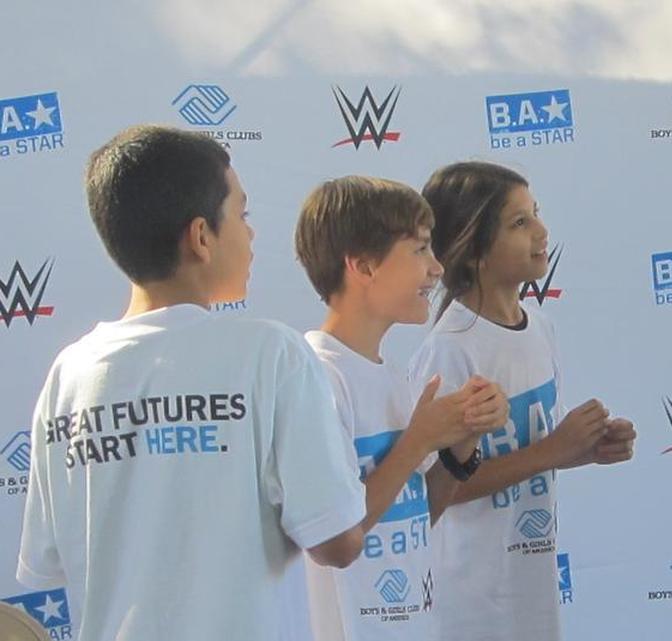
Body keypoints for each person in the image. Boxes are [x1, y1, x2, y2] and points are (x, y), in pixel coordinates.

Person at [17, 125, 369, 641]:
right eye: (242, 215)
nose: (250, 234)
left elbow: (49, 559)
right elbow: (337, 541)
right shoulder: (271, 354)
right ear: (202, 237)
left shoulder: (68, 373)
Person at [408, 161, 637, 641]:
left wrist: (584, 448)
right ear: (473, 251)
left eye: (536, 214)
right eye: (519, 223)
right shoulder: (451, 349)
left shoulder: (541, 326)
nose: (541, 231)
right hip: (472, 601)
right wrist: (554, 450)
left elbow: (529, 454)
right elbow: (436, 491)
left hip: (531, 587)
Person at [293, 175, 508, 641]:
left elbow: (411, 514)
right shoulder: (316, 376)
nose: (436, 270)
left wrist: (460, 445)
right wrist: (420, 440)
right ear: (364, 266)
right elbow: (338, 537)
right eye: (420, 250)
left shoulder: (395, 376)